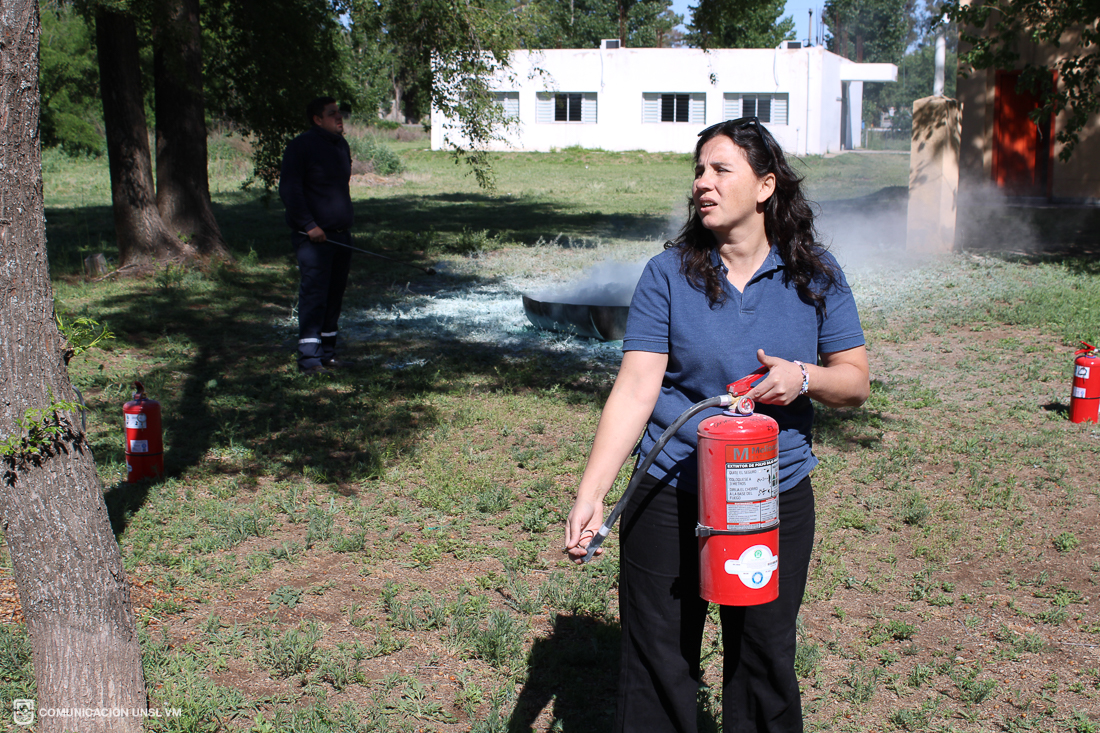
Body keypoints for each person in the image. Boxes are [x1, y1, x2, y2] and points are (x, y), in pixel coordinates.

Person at [565, 117, 870, 733]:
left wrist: (802, 377)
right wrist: (592, 492)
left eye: (721, 169)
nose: (703, 182)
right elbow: (636, 387)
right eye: (699, 171)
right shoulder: (668, 274)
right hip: (669, 490)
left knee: (763, 657)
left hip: (770, 495)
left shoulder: (815, 273)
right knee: (658, 658)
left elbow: (855, 381)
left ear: (765, 185)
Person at [279, 96, 355, 374]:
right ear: (317, 119)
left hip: (340, 237)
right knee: (315, 296)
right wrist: (310, 225)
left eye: (339, 112)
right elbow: (290, 190)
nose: (339, 117)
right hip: (313, 239)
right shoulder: (301, 146)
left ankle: (327, 353)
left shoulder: (341, 145)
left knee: (334, 296)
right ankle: (309, 358)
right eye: (332, 113)